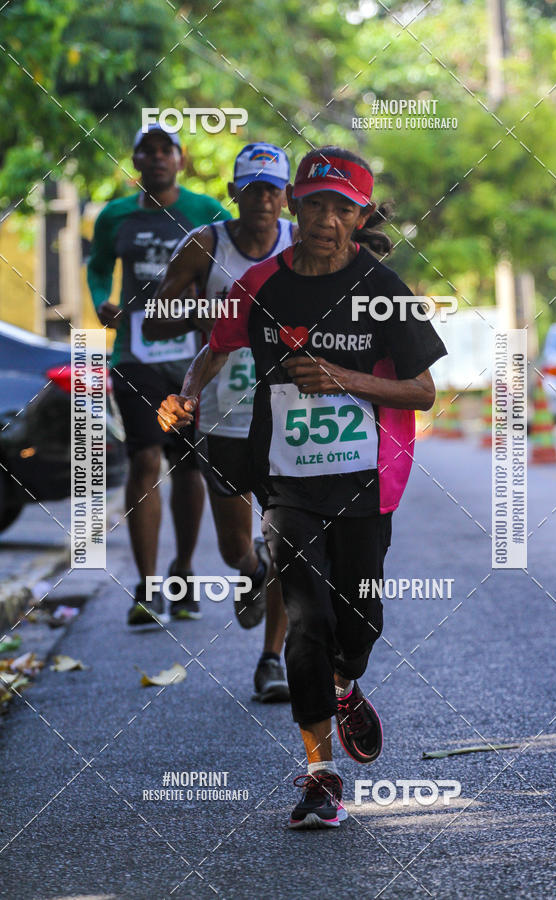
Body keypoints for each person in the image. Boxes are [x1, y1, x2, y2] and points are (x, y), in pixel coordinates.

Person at [157, 146, 447, 828]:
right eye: (315, 205)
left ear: (361, 217)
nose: (326, 220)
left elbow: (424, 391)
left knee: (359, 623)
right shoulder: (261, 284)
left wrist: (344, 378)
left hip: (366, 479)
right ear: (294, 205)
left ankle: (345, 686)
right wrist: (187, 393)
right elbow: (215, 348)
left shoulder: (383, 289)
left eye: (342, 208)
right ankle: (320, 775)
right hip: (286, 481)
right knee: (308, 620)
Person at [144, 143, 294, 701]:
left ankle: (272, 660)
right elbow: (155, 321)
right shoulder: (205, 245)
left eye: (272, 190)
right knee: (236, 546)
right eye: (252, 189)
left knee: (289, 540)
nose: (262, 200)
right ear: (233, 193)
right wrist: (208, 313)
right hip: (224, 414)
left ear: (286, 196)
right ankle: (250, 568)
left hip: (288, 415)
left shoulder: (301, 242)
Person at [87, 123, 231, 626]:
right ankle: (147, 587)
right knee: (145, 457)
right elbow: (98, 265)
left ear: (180, 159)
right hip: (136, 352)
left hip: (194, 355)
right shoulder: (115, 216)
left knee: (188, 466)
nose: (155, 158)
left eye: (164, 150)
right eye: (145, 151)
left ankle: (183, 573)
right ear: (136, 162)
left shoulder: (206, 211)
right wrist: (101, 299)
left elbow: (237, 258)